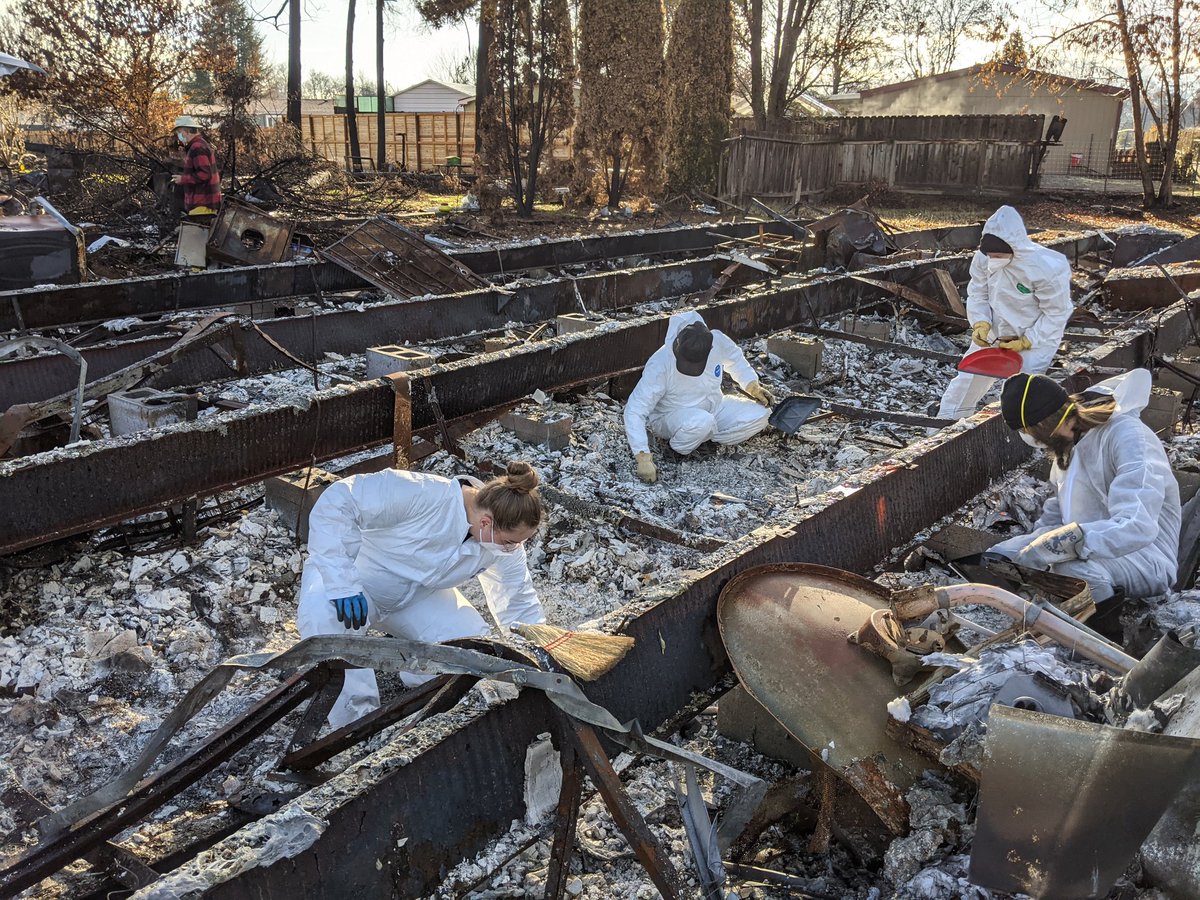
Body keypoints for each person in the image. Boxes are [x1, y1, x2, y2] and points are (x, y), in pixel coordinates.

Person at [295, 461, 547, 728]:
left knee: (472, 651)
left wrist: (538, 651)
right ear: (486, 522)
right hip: (358, 587)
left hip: (419, 597)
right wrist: (341, 582)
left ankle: (419, 685)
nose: (512, 549)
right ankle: (356, 724)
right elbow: (339, 501)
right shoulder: (422, 493)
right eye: (510, 542)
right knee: (325, 623)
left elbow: (517, 595)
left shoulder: (499, 540)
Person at [990, 369, 1180, 602]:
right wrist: (1034, 547)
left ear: (1047, 423)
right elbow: (1056, 518)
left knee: (1072, 574)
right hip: (1086, 550)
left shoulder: (1130, 438)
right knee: (999, 558)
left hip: (1144, 558)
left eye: (1031, 432)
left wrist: (1064, 544)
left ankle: (1102, 631)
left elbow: (1137, 526)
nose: (1033, 440)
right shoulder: (1069, 447)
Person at [937, 205, 1073, 420]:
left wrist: (1027, 341)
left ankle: (1020, 440)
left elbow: (1055, 314)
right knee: (964, 385)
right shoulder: (983, 258)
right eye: (990, 255)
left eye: (999, 255)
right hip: (994, 332)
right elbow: (978, 293)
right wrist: (980, 322)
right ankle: (941, 430)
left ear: (1015, 248)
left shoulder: (1046, 268)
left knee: (1025, 395)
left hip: (1033, 339)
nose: (993, 259)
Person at [623, 310, 774, 483]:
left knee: (762, 414)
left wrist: (751, 385)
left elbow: (735, 359)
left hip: (713, 408)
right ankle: (677, 450)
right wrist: (642, 456)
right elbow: (635, 410)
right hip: (672, 417)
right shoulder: (660, 363)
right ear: (678, 344)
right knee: (702, 422)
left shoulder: (717, 340)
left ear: (710, 348)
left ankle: (706, 441)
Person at [169, 116, 222, 214]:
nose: (178, 136)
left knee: (197, 228)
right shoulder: (198, 145)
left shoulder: (197, 148)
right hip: (203, 202)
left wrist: (183, 179)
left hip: (202, 203)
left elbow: (205, 174)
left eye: (179, 132)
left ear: (187, 131)